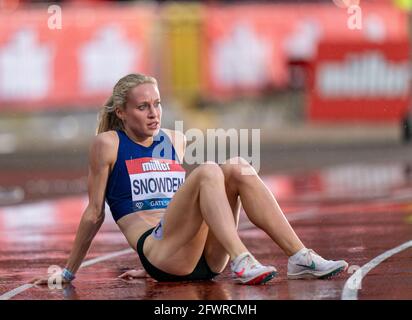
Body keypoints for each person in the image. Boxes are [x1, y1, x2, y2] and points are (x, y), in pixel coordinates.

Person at [32, 73, 348, 286]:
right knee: (208, 170)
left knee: (237, 165)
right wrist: (69, 271)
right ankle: (242, 258)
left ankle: (299, 257)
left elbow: (186, 208)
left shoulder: (175, 139)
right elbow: (94, 213)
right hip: (160, 254)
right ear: (122, 112)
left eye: (157, 104)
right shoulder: (107, 145)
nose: (153, 113)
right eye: (143, 107)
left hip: (205, 259)